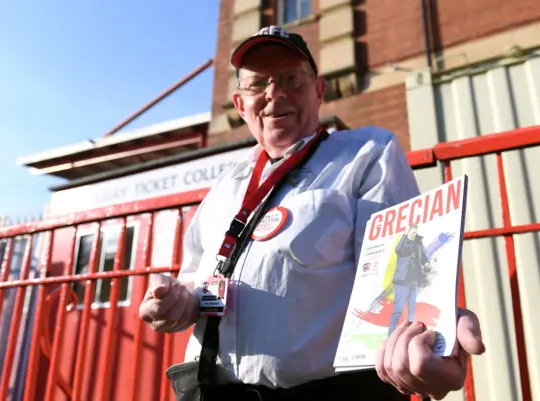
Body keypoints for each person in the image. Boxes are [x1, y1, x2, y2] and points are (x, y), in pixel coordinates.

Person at [139, 25, 486, 400]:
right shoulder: (225, 185)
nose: (275, 92)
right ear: (241, 105)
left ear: (319, 91)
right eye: (257, 84)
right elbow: (195, 282)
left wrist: (431, 329)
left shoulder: (367, 152)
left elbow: (399, 276)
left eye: (291, 78)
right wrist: (176, 300)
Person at [388, 224, 430, 335]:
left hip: (413, 279)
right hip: (402, 280)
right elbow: (398, 250)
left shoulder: (418, 243)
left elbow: (423, 255)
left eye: (415, 233)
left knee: (411, 310)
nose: (414, 235)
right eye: (412, 232)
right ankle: (391, 335)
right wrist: (406, 236)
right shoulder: (404, 244)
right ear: (408, 233)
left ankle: (410, 334)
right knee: (398, 309)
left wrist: (426, 262)